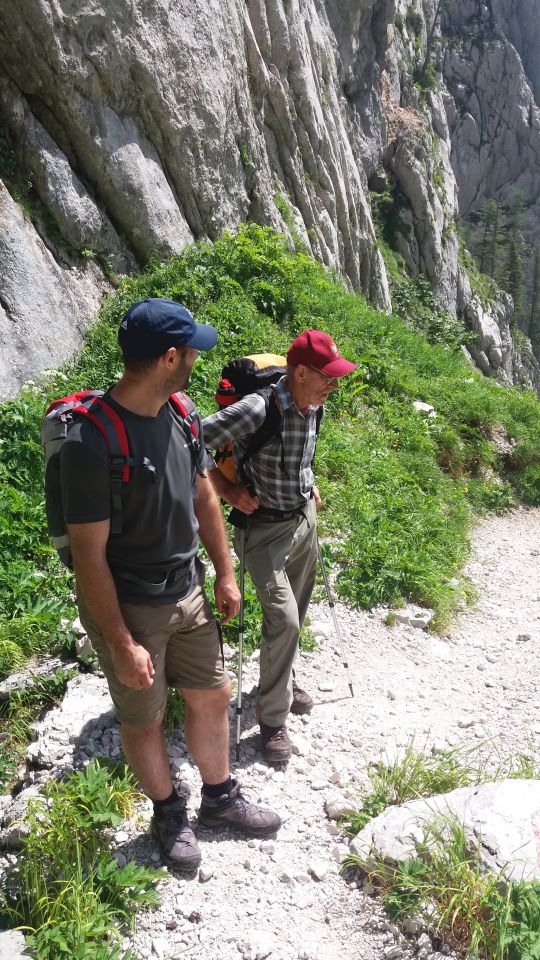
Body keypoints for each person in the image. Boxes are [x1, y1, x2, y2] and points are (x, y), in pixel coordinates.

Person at [60, 297, 281, 872]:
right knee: (145, 718)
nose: (195, 361)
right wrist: (119, 642)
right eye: (190, 351)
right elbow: (89, 559)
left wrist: (226, 573)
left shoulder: (181, 414)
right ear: (166, 356)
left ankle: (220, 800)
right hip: (132, 607)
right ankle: (168, 813)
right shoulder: (92, 443)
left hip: (189, 591)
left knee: (212, 695)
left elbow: (205, 496)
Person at [202, 330, 357, 764]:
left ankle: (280, 680)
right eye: (328, 377)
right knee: (285, 621)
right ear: (301, 372)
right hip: (262, 530)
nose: (334, 385)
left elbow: (299, 455)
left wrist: (310, 484)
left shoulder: (314, 405)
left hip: (302, 521)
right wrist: (227, 490)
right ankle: (272, 721)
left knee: (297, 614)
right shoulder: (257, 407)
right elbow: (189, 442)